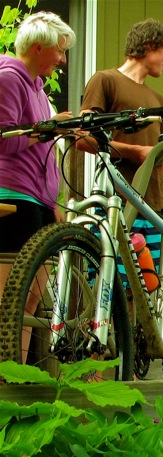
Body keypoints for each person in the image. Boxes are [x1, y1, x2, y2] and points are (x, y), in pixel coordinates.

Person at [78, 18, 163, 288]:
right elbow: (83, 138)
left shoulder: (158, 100)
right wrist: (136, 152)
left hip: (151, 203)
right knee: (106, 284)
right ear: (150, 45)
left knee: (149, 288)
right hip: (113, 198)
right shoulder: (105, 80)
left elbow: (154, 149)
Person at [0, 11, 76, 301]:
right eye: (60, 51)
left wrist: (51, 203)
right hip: (14, 197)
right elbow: (4, 140)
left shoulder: (39, 92)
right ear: (38, 48)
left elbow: (41, 149)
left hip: (38, 200)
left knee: (32, 299)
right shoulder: (8, 79)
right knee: (12, 298)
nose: (63, 60)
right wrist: (49, 128)